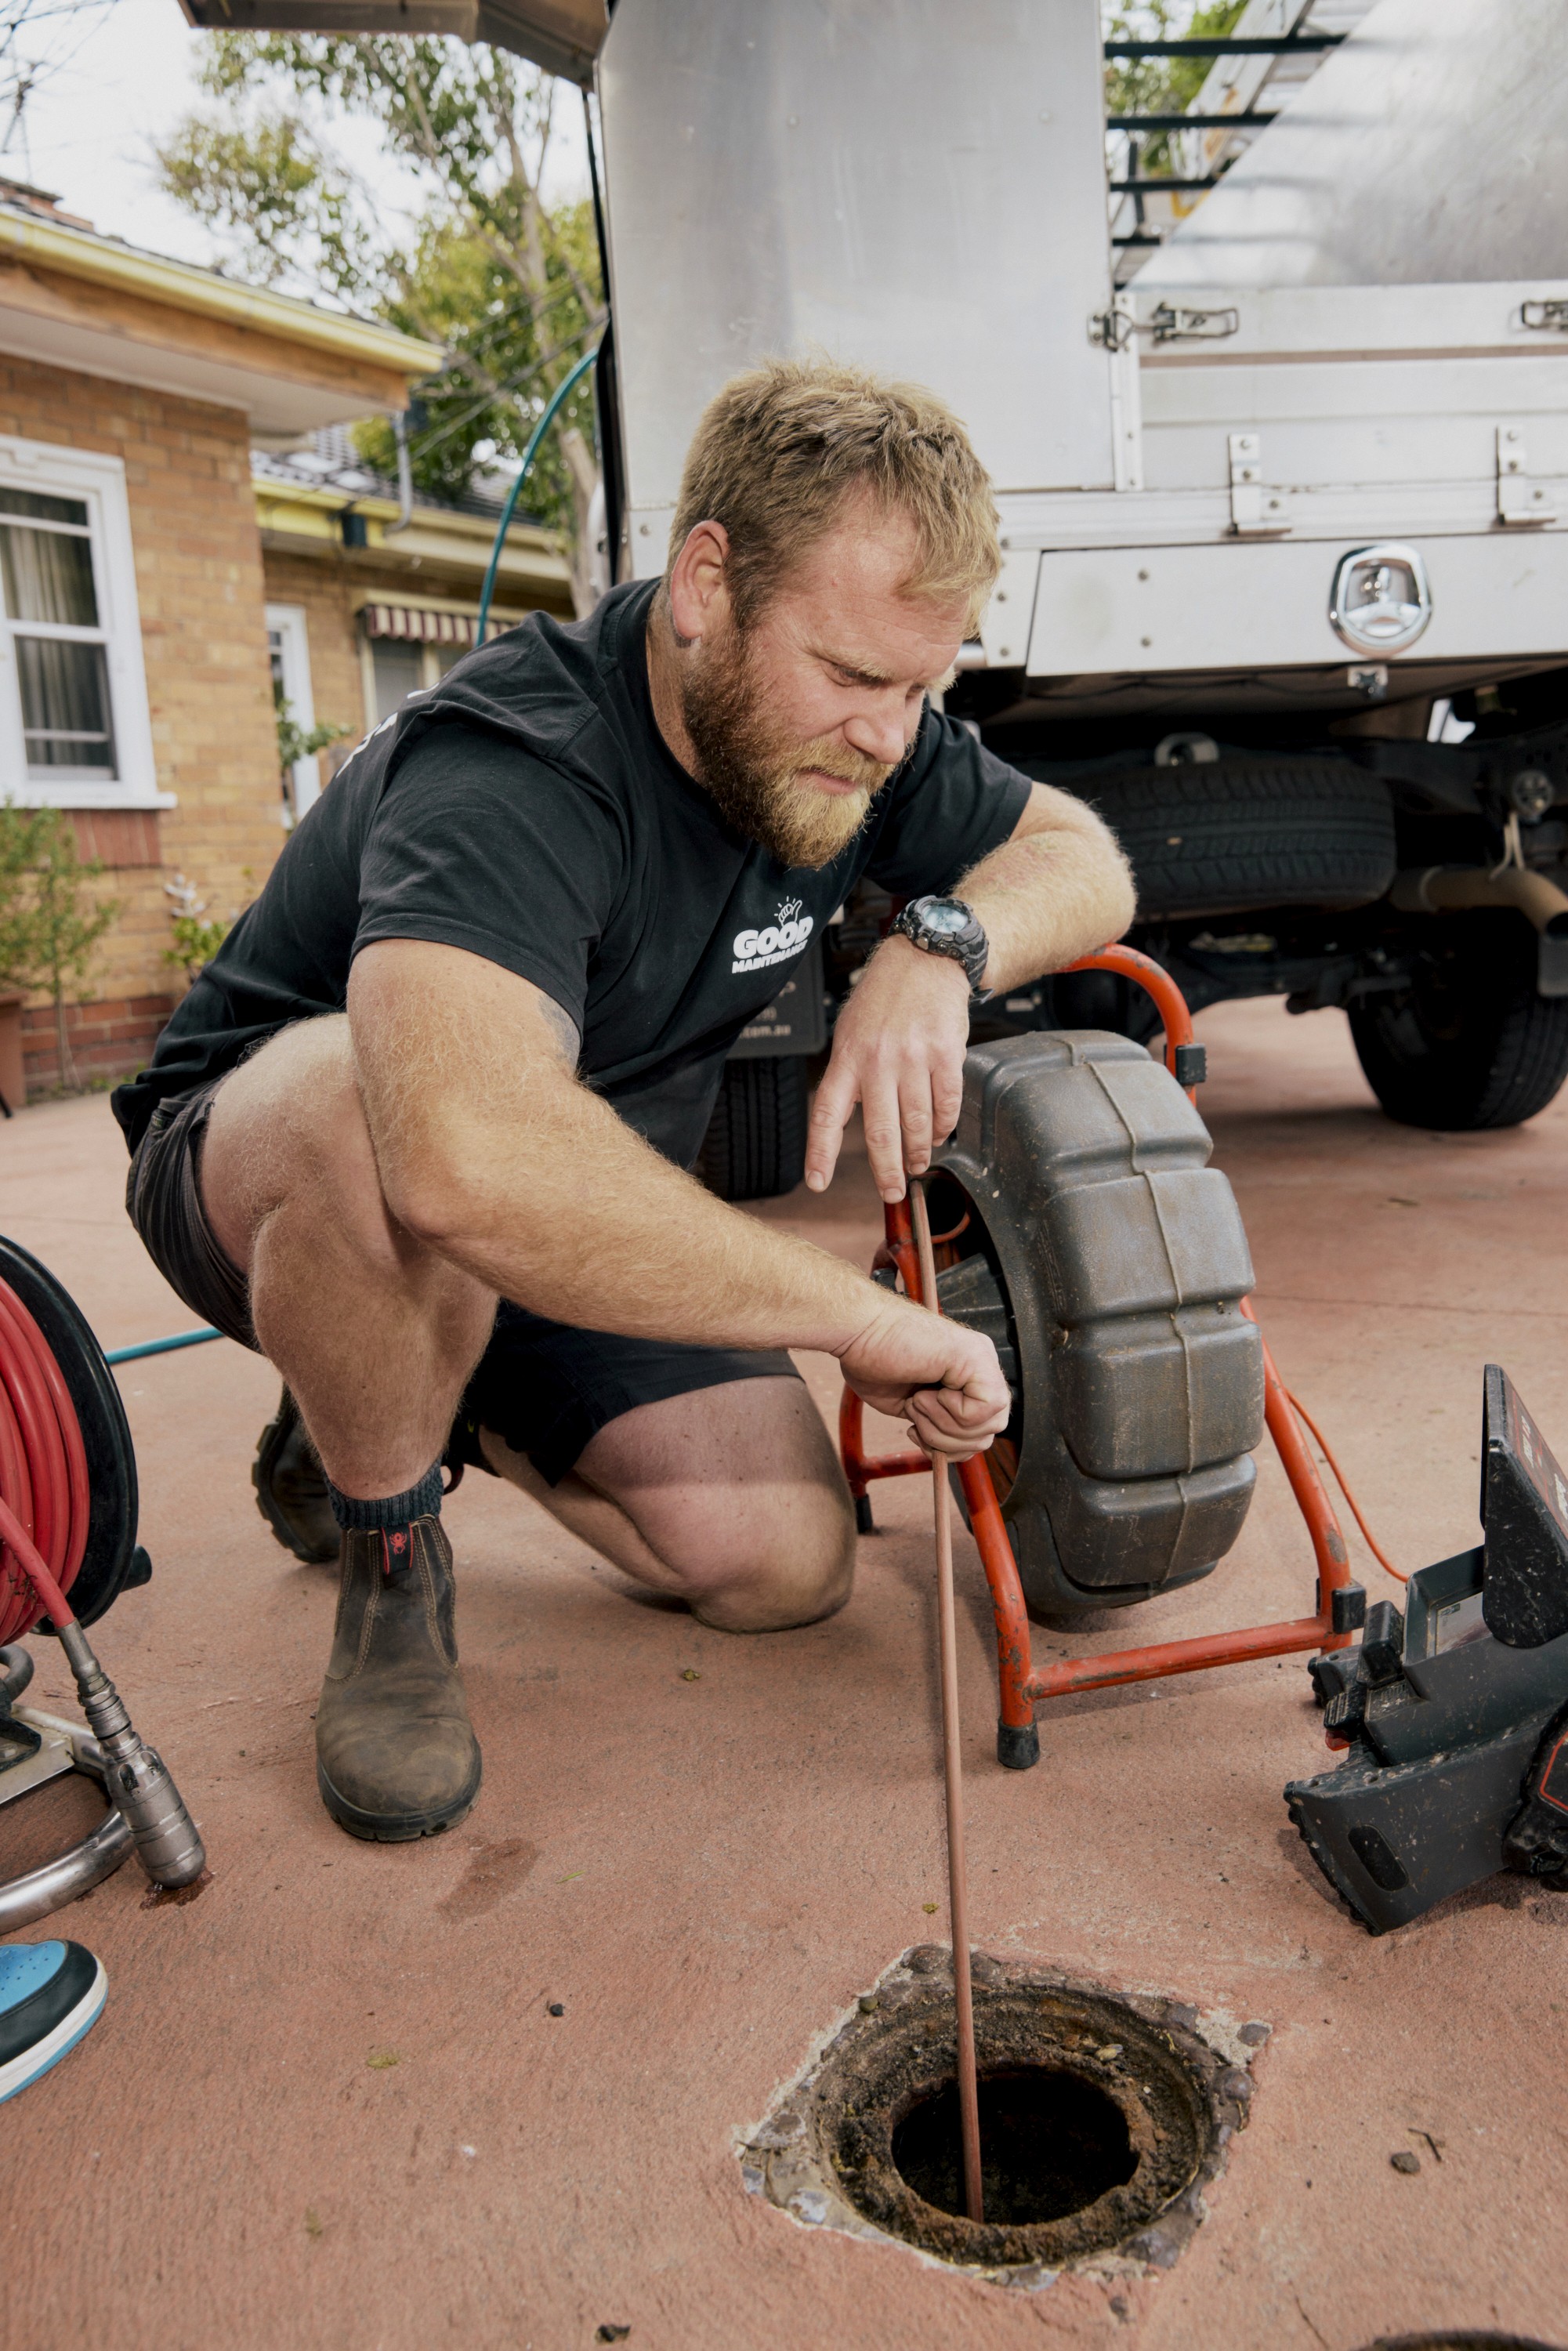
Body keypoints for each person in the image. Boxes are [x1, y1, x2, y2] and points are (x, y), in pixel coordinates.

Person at [112, 360, 1134, 1845]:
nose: (890, 736)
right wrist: (852, 1320)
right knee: (378, 1115)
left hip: (556, 1228)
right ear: (705, 582)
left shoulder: (853, 739)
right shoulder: (513, 768)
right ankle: (388, 1552)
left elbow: (1085, 854)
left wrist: (940, 949)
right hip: (275, 1166)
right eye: (853, 677)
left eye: (928, 686)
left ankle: (396, 1392)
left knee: (787, 1565)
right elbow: (463, 1157)